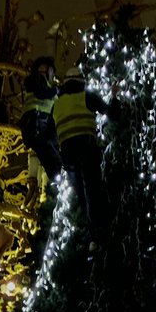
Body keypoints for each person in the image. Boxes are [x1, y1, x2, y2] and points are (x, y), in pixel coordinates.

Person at [52, 64, 116, 250]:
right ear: (81, 81)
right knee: (93, 191)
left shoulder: (57, 103)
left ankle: (86, 235)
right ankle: (97, 234)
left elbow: (49, 133)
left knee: (79, 192)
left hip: (67, 154)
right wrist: (113, 96)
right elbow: (112, 114)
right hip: (87, 149)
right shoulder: (86, 96)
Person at [19, 55, 62, 181]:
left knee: (52, 156)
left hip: (41, 125)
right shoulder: (35, 79)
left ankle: (58, 177)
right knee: (49, 154)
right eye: (52, 71)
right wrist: (56, 90)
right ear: (45, 69)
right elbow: (41, 94)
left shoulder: (47, 86)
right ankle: (57, 177)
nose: (53, 75)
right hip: (35, 124)